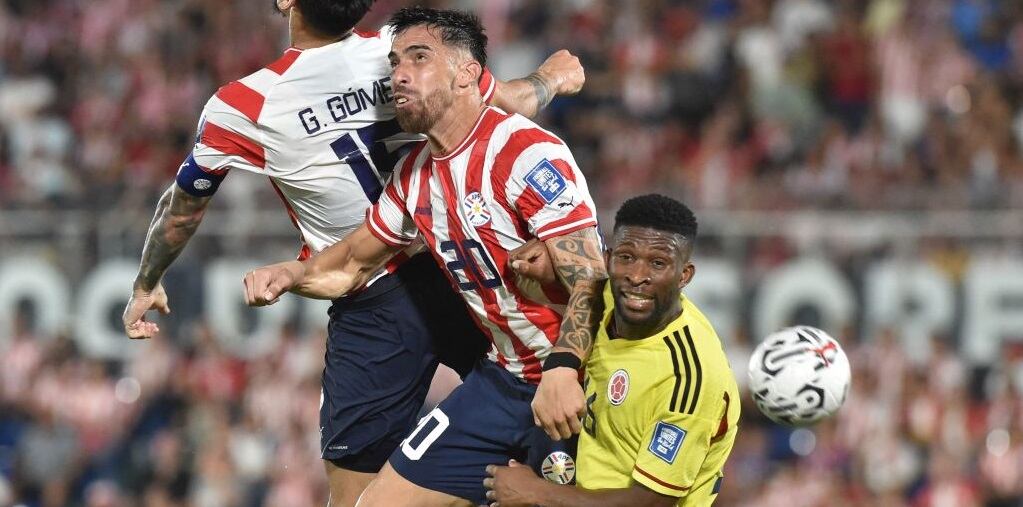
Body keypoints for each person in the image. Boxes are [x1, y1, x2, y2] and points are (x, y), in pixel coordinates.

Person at [120, 1, 585, 505]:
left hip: (384, 293)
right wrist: (549, 80)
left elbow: (183, 210)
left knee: (362, 494)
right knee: (547, 442)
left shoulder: (245, 104)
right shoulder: (400, 51)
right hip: (447, 265)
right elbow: (503, 100)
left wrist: (148, 281)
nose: (401, 73)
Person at [242, 7, 608, 506]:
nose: (399, 74)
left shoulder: (525, 154)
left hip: (578, 375)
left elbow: (591, 279)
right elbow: (351, 262)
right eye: (394, 62)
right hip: (503, 379)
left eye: (419, 58)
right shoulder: (414, 176)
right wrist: (292, 272)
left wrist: (565, 369)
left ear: (467, 74)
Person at [484, 194, 741, 507]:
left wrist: (535, 493)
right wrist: (553, 276)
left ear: (684, 275)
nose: (636, 277)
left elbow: (651, 501)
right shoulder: (602, 299)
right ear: (607, 259)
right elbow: (587, 288)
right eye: (626, 257)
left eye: (658, 263)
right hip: (573, 477)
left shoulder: (691, 375)